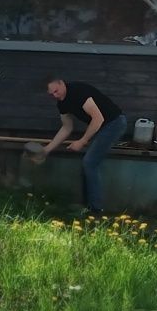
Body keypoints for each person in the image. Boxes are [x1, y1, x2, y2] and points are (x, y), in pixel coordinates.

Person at [38, 77, 127, 214]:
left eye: (56, 91)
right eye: (52, 94)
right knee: (88, 163)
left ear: (62, 83)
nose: (56, 96)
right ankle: (87, 206)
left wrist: (82, 141)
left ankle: (95, 210)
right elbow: (66, 128)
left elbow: (98, 118)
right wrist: (46, 150)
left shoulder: (79, 91)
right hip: (100, 127)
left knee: (90, 162)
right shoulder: (62, 104)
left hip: (114, 123)